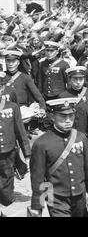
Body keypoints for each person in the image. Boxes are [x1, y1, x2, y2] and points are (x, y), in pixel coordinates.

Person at [28, 98, 88, 217]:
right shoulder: (42, 143)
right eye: (63, 117)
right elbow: (37, 178)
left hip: (79, 195)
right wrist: (37, 205)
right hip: (55, 197)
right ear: (53, 117)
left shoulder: (80, 138)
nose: (68, 120)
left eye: (71, 116)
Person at [0, 71, 31, 217]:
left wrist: (27, 154)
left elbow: (20, 131)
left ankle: (7, 200)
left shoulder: (12, 107)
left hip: (8, 149)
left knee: (7, 175)